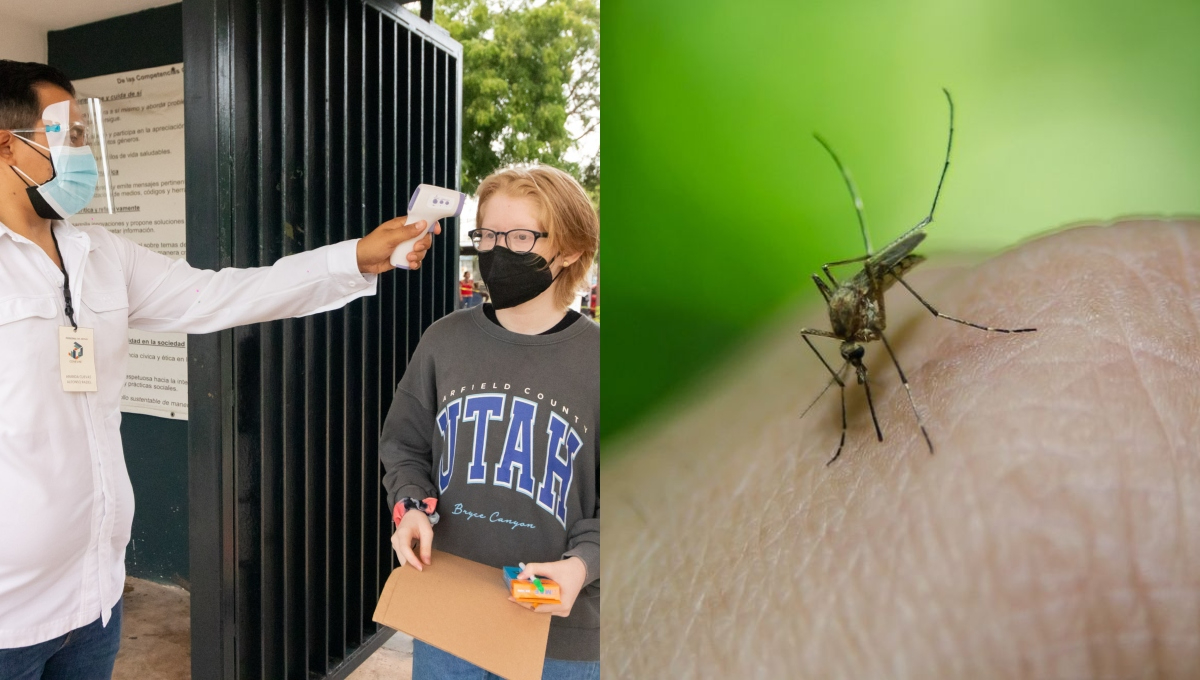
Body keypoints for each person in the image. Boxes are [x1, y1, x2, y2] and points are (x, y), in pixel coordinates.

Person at [600, 219, 1200, 678]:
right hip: (853, 303)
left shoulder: (860, 319)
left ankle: (958, 323)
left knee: (895, 319)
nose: (857, 362)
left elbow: (865, 328)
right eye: (852, 362)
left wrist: (870, 277)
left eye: (852, 362)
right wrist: (842, 380)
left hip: (868, 285)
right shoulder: (843, 339)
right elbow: (845, 345)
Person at [0, 60, 439, 677]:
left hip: (94, 598)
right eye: (69, 135)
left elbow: (223, 295)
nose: (84, 152)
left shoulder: (100, 255)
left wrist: (357, 258)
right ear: (7, 144)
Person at [380, 165, 599, 678]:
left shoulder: (603, 361)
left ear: (568, 250)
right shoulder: (443, 342)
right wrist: (409, 506)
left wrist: (583, 564)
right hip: (448, 611)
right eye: (488, 235)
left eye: (520, 237)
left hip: (560, 633)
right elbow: (405, 446)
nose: (498, 252)